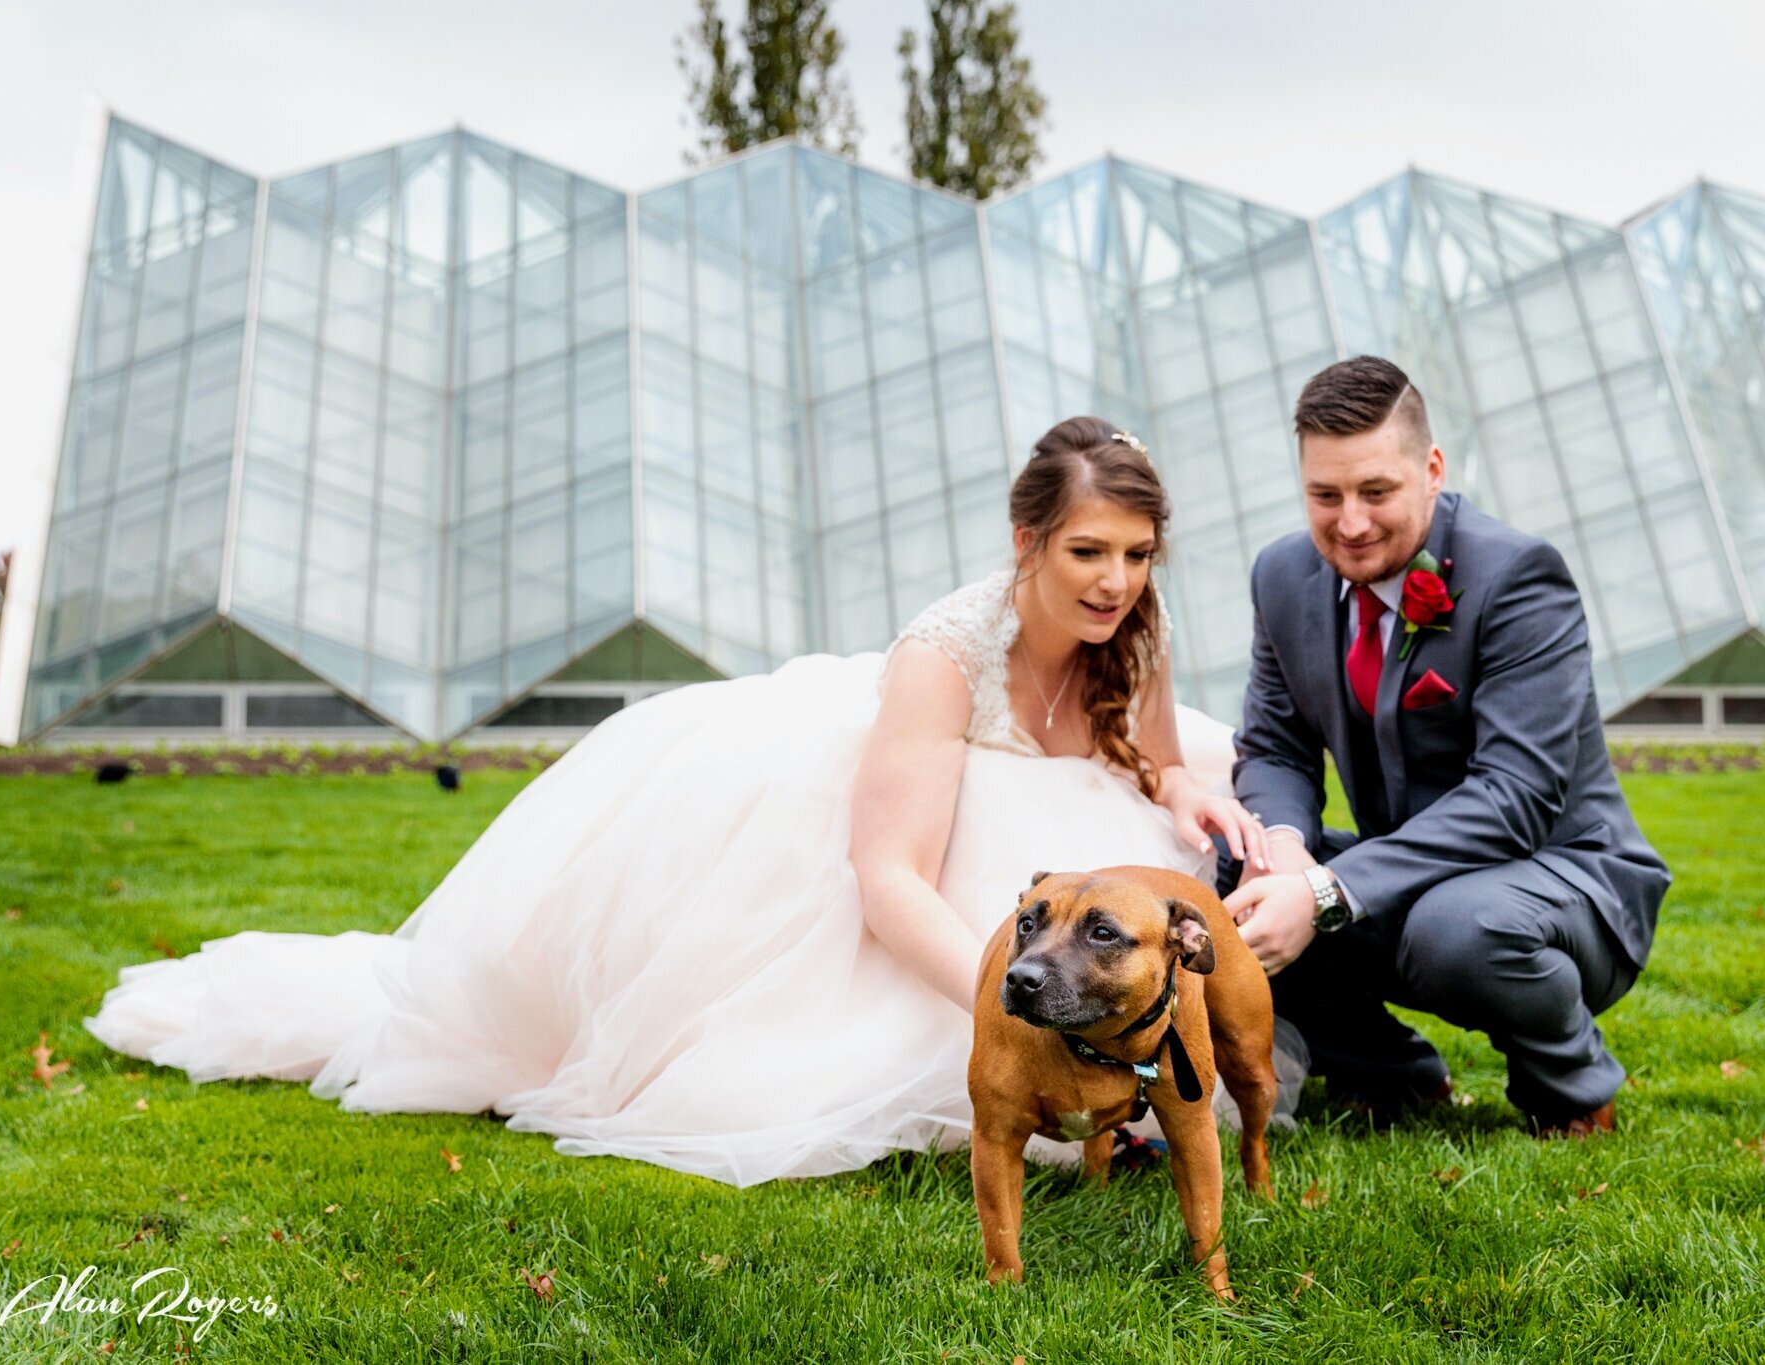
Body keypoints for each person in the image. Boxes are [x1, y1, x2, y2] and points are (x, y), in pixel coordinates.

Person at [86, 417, 1279, 1186]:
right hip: (936, 868)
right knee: (839, 1067)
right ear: (1026, 542)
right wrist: (1026, 1009)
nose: (1115, 582)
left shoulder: (1136, 626)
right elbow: (885, 881)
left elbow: (1156, 757)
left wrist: (1179, 787)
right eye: (1086, 554)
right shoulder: (944, 658)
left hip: (1064, 853)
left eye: (1133, 555)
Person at [1220, 357, 1671, 1137]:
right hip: (1411, 874)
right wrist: (1286, 852)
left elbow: (1516, 796)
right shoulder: (1282, 576)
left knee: (1455, 928)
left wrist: (1327, 893)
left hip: (1566, 881)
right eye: (1324, 495)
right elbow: (1273, 746)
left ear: (1431, 470)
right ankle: (1389, 1072)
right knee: (1236, 871)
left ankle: (1571, 1084)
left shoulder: (1519, 577)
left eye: (1376, 492)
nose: (1349, 523)